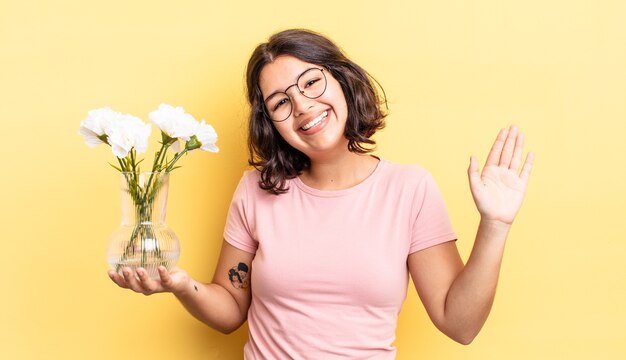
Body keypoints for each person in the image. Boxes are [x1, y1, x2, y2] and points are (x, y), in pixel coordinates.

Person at [108, 28, 534, 359]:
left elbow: (459, 325)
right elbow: (230, 309)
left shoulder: (410, 189)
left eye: (311, 82)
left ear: (342, 80)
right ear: (271, 123)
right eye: (280, 103)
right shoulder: (256, 190)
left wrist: (495, 225)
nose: (303, 107)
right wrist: (182, 285)